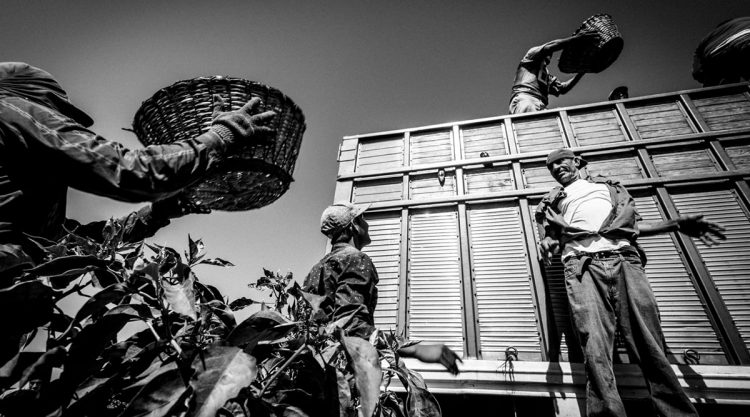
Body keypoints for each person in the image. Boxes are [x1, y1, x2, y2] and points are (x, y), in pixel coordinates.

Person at [0, 62, 276, 280]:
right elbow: (129, 170)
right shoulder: (13, 109)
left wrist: (157, 213)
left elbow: (69, 246)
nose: (61, 121)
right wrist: (219, 138)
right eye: (57, 113)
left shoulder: (22, 194)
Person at [535, 148, 726, 417]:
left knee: (648, 341)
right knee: (595, 346)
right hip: (581, 267)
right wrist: (547, 242)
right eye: (550, 166)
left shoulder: (608, 189)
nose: (556, 168)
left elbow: (632, 228)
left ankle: (677, 412)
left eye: (560, 161)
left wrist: (675, 224)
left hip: (624, 260)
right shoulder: (555, 201)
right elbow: (552, 238)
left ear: (577, 162)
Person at [303, 202, 462, 374]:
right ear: (353, 227)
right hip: (339, 376)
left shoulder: (316, 268)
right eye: (361, 218)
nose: (367, 223)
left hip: (314, 371)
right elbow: (352, 328)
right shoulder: (355, 259)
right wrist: (417, 349)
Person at [509, 31, 600, 114]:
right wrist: (576, 39)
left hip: (541, 103)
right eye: (550, 51)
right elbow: (549, 47)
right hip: (526, 98)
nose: (551, 54)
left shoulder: (546, 76)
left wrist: (582, 71)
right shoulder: (531, 57)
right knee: (530, 123)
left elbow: (563, 88)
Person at [692, 17, 750, 86]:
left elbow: (697, 70)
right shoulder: (745, 20)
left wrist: (702, 77)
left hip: (718, 54)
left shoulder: (711, 36)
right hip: (744, 43)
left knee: (715, 78)